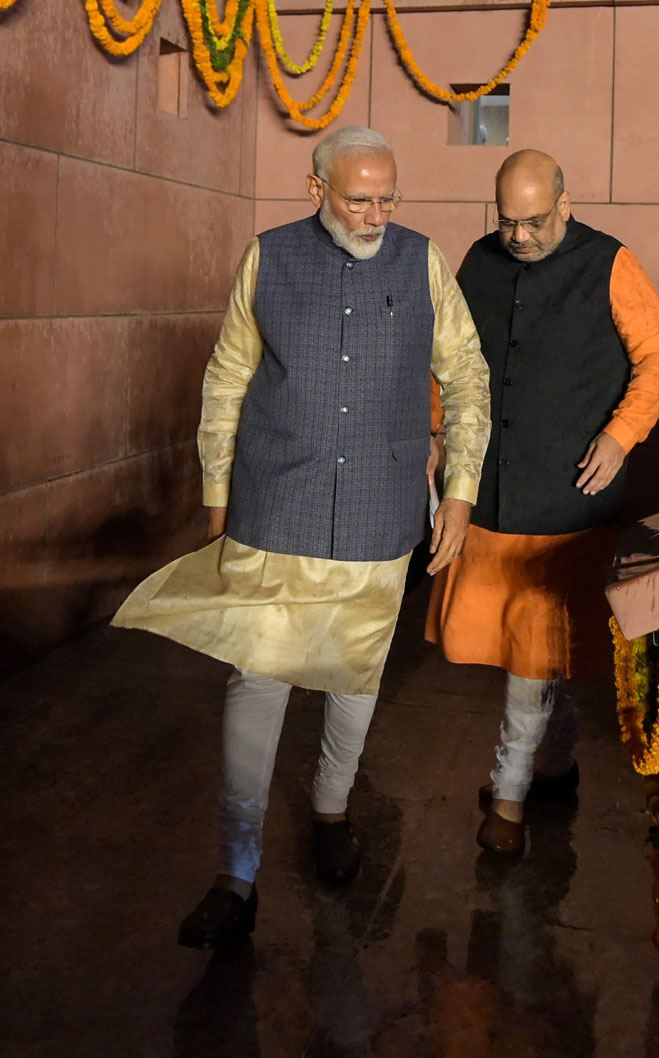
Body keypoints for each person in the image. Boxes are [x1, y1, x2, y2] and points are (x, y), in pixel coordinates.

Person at [113, 126, 491, 947]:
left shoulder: (421, 260)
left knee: (354, 677)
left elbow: (465, 375)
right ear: (314, 187)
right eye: (360, 198)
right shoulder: (268, 257)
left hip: (379, 502)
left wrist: (459, 493)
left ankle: (330, 811)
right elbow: (227, 375)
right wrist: (219, 496)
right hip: (274, 500)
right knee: (259, 680)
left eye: (389, 197)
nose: (376, 213)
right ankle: (236, 872)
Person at [426, 149, 659, 855]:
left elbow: (658, 355)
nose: (520, 236)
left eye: (534, 221)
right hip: (491, 493)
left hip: (568, 493)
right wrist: (438, 429)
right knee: (532, 654)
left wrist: (621, 437)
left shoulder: (611, 263)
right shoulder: (477, 260)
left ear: (564, 204)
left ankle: (505, 800)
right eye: (507, 221)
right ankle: (556, 768)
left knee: (533, 656)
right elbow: (448, 357)